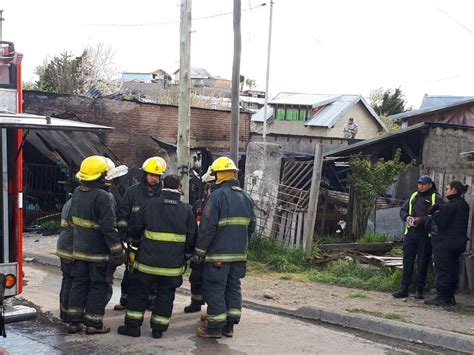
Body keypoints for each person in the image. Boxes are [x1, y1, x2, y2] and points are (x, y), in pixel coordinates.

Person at [117, 175, 197, 339]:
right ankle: (158, 330)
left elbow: (135, 229)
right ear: (179, 188)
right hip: (172, 266)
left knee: (138, 293)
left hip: (146, 263)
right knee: (166, 295)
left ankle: (132, 327)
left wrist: (134, 242)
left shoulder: (149, 205)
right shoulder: (186, 210)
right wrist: (186, 257)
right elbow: (192, 238)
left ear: (162, 186)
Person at [192, 157, 256, 338]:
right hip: (239, 255)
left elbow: (206, 228)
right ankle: (229, 326)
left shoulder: (216, 197)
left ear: (219, 175)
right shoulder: (246, 197)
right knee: (233, 287)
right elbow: (251, 227)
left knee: (215, 288)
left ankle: (214, 327)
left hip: (218, 255)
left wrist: (199, 252)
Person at [67, 156, 124, 335]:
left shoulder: (77, 193)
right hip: (98, 254)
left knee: (79, 284)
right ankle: (93, 324)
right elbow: (109, 228)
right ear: (100, 177)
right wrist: (118, 252)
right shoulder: (104, 197)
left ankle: (74, 322)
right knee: (99, 287)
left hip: (79, 251)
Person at [114, 156, 166, 311]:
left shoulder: (162, 194)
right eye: (151, 175)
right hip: (134, 242)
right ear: (145, 175)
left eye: (157, 175)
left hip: (154, 243)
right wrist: (123, 234)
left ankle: (150, 301)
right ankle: (125, 300)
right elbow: (123, 215)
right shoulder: (132, 192)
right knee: (131, 272)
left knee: (152, 274)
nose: (154, 178)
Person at [393, 175, 442, 299]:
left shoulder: (435, 198)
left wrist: (421, 220)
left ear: (430, 185)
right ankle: (404, 288)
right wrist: (407, 217)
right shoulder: (414, 196)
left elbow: (438, 216)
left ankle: (419, 289)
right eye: (419, 183)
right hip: (411, 233)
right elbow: (403, 210)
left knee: (423, 262)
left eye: (424, 184)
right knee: (407, 260)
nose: (421, 186)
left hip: (425, 235)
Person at [425, 181, 470, 307]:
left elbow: (442, 223)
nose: (445, 190)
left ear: (454, 190)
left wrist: (434, 213)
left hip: (446, 243)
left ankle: (443, 297)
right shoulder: (464, 204)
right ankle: (450, 297)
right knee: (453, 269)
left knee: (443, 269)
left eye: (447, 188)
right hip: (459, 242)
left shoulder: (449, 205)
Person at [184, 174, 215, 314]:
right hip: (197, 247)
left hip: (212, 248)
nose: (210, 193)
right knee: (195, 277)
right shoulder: (198, 205)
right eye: (209, 190)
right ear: (205, 190)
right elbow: (191, 226)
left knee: (211, 280)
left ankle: (211, 308)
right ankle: (196, 302)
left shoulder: (217, 206)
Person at [55, 194, 73, 323]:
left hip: (64, 245)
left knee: (67, 279)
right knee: (72, 281)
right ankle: (69, 315)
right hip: (72, 247)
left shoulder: (71, 201)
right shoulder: (79, 201)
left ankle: (64, 313)